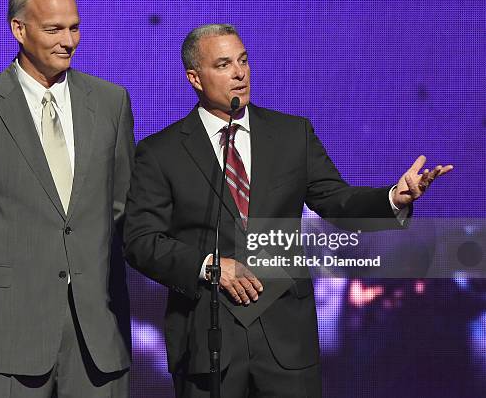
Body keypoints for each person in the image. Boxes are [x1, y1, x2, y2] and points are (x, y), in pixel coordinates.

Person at [122, 24, 452, 397]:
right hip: (208, 343)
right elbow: (140, 241)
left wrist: (394, 198)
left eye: (244, 61)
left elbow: (337, 202)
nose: (239, 73)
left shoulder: (292, 135)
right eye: (224, 64)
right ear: (195, 78)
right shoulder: (160, 153)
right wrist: (208, 266)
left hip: (285, 343)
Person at [0, 0, 134, 398]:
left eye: (74, 27)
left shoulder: (112, 103)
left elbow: (119, 206)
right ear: (19, 30)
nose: (69, 41)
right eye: (54, 29)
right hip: (6, 333)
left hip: (96, 334)